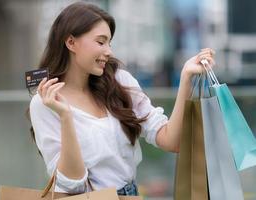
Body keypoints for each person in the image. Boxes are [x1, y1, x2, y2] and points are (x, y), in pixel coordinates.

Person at [28, 2, 215, 197]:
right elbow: (71, 184)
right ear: (71, 42)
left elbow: (171, 141)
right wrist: (66, 116)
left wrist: (186, 78)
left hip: (129, 194)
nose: (108, 51)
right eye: (101, 42)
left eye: (109, 43)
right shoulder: (44, 103)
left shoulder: (119, 82)